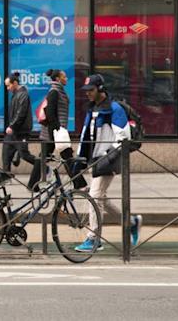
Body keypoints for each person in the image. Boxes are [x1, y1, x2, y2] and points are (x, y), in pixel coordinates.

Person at [74, 74, 142, 253]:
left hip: (107, 161)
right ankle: (131, 222)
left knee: (94, 196)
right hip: (95, 160)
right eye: (86, 90)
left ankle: (93, 238)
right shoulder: (92, 108)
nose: (87, 93)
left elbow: (123, 138)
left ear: (100, 89)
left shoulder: (114, 109)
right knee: (101, 197)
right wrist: (79, 159)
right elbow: (85, 136)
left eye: (91, 90)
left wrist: (106, 156)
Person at [2, 72, 36, 175]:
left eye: (8, 85)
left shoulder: (23, 95)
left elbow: (21, 113)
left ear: (15, 83)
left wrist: (12, 126)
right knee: (6, 152)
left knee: (24, 155)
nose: (7, 88)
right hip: (14, 131)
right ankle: (6, 175)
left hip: (21, 132)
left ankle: (44, 167)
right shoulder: (16, 94)